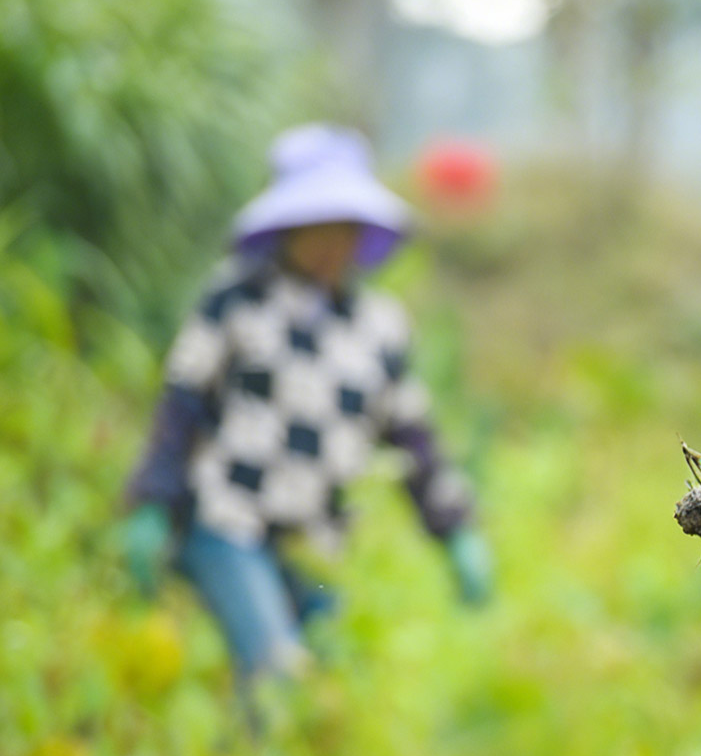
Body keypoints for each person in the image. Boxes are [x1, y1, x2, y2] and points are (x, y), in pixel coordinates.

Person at [121, 124, 491, 689]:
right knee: (277, 673)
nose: (328, 245)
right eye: (314, 228)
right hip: (227, 519)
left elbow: (414, 440)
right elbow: (182, 401)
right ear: (287, 228)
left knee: (333, 683)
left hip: (317, 540)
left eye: (340, 229)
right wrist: (151, 500)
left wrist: (457, 532)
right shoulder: (237, 298)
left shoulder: (379, 327)